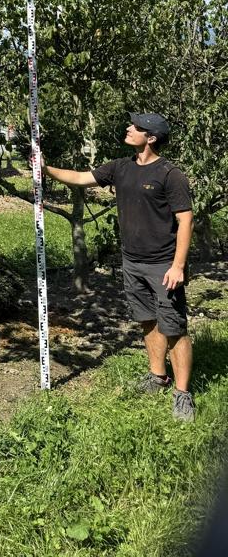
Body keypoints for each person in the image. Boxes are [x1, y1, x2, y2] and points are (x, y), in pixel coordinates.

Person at [42, 113, 195, 422]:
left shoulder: (170, 174)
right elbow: (81, 178)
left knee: (175, 328)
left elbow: (185, 219)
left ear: (150, 138)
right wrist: (44, 168)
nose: (129, 128)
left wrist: (178, 266)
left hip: (164, 265)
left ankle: (182, 394)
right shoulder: (120, 167)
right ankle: (158, 376)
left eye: (137, 127)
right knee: (148, 321)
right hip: (132, 262)